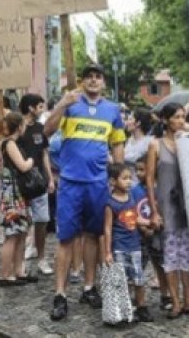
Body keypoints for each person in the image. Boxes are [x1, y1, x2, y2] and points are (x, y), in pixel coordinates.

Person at [44, 63, 127, 321]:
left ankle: (90, 287)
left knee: (93, 236)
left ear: (103, 82)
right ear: (82, 81)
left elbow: (118, 145)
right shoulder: (71, 103)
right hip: (70, 182)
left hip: (98, 183)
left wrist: (118, 178)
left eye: (97, 77)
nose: (93, 81)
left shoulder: (112, 110)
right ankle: (60, 294)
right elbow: (47, 131)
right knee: (66, 239)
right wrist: (61, 104)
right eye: (88, 77)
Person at [147, 102, 189, 319]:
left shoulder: (188, 142)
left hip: (187, 206)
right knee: (171, 255)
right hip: (166, 205)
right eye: (176, 117)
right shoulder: (155, 145)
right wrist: (154, 210)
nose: (180, 121)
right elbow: (149, 179)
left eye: (183, 117)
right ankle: (175, 301)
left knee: (188, 255)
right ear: (165, 120)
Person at [102, 162, 154, 322]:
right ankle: (121, 309)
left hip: (134, 246)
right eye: (124, 178)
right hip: (120, 248)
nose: (129, 181)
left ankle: (141, 306)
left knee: (139, 278)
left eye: (129, 178)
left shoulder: (131, 198)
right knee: (121, 281)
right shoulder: (111, 204)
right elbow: (108, 228)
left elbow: (133, 217)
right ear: (113, 181)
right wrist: (108, 252)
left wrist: (147, 222)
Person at [0, 112, 38, 286]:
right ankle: (6, 274)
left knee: (20, 233)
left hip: (12, 191)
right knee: (12, 235)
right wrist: (31, 160)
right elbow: (22, 165)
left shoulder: (0, 143)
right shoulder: (10, 144)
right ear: (19, 126)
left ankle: (18, 271)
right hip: (11, 193)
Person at [17, 93, 55, 276]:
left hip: (40, 183)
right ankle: (20, 261)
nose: (42, 110)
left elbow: (45, 154)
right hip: (21, 183)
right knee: (21, 223)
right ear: (31, 108)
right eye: (40, 106)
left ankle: (41, 257)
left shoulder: (41, 128)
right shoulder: (18, 129)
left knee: (42, 221)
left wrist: (50, 178)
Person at [133, 156, 171, 310]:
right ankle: (137, 299)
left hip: (159, 234)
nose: (138, 173)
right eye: (137, 170)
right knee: (138, 267)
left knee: (161, 266)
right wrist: (143, 227)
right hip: (140, 235)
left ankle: (165, 295)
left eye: (142, 169)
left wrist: (156, 226)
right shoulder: (135, 190)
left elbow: (165, 210)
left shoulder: (161, 188)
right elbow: (132, 209)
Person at [124, 108, 153, 174]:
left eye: (130, 119)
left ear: (138, 123)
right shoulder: (129, 140)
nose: (126, 122)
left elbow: (135, 158)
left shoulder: (149, 142)